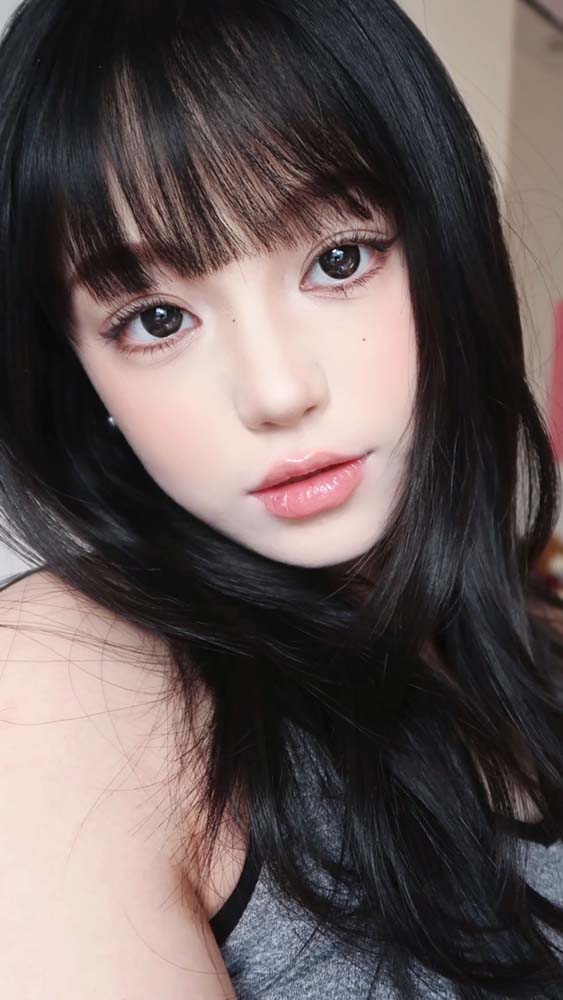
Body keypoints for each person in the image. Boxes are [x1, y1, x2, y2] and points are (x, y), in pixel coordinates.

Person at [0, 0, 563, 996]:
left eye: (336, 259)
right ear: (79, 376)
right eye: (156, 318)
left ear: (445, 252)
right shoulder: (66, 686)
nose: (275, 391)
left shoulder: (531, 637)